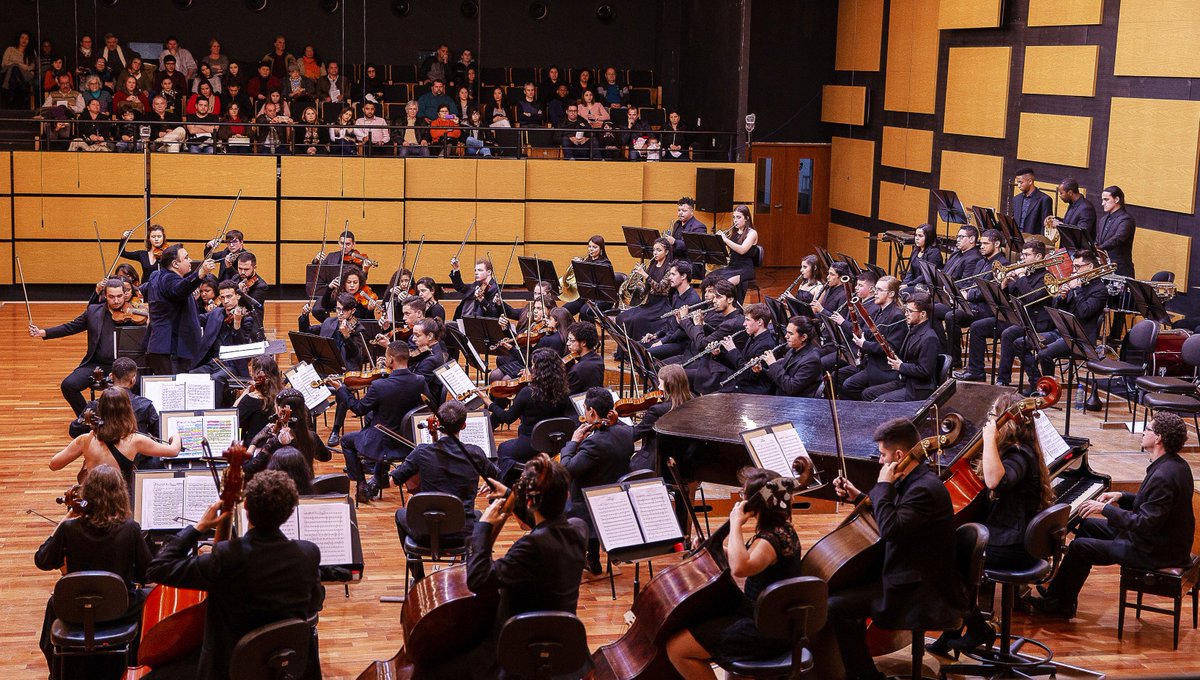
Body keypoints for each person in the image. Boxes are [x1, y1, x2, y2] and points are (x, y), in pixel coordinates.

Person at [145, 470, 324, 680]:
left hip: (229, 669)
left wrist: (199, 527)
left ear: (245, 506)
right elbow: (315, 603)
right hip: (282, 665)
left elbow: (158, 568)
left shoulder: (228, 558)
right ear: (290, 511)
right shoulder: (308, 554)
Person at [826, 418, 965, 680]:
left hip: (919, 590)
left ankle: (864, 676)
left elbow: (890, 529)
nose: (880, 461)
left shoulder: (923, 489)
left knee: (836, 606)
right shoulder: (915, 480)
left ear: (899, 455)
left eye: (882, 454)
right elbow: (893, 516)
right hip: (909, 573)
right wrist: (858, 496)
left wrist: (883, 486)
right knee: (844, 592)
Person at [1028, 412, 1194, 619]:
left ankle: (1060, 605)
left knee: (1080, 547)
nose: (1143, 432)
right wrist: (1122, 495)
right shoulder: (1175, 464)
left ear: (1158, 438)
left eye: (1148, 429)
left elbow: (1145, 523)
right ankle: (1061, 594)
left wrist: (1105, 509)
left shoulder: (1164, 475)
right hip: (1156, 539)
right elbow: (1154, 505)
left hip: (1155, 550)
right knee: (1088, 525)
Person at [928, 392, 1054, 655]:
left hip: (1014, 545)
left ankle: (977, 628)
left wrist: (987, 440)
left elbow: (995, 480)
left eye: (993, 415)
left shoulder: (1019, 455)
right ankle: (955, 629)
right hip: (1014, 538)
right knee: (954, 553)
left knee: (941, 560)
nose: (990, 421)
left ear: (1007, 422)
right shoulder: (1017, 450)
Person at [666, 469, 806, 678]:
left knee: (677, 649)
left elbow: (741, 567)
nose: (740, 500)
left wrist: (735, 524)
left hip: (763, 629)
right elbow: (747, 559)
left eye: (743, 496)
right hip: (769, 619)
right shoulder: (782, 529)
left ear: (754, 504)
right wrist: (716, 549)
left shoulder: (770, 540)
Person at [35, 464, 152, 678]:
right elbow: (147, 575)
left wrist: (65, 519)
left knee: (55, 603)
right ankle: (138, 664)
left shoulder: (70, 529)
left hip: (76, 610)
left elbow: (42, 560)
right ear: (120, 495)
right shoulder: (130, 529)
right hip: (121, 609)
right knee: (151, 597)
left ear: (87, 494)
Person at [390, 400, 500, 580]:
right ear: (464, 425)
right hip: (462, 533)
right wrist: (492, 482)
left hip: (424, 532)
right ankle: (469, 575)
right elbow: (499, 476)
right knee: (480, 515)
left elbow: (394, 480)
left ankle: (418, 578)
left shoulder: (421, 452)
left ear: (438, 424)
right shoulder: (475, 454)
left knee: (400, 514)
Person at [28, 279, 146, 415]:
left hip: (125, 366)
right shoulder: (93, 311)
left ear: (125, 294)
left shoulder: (134, 312)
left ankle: (131, 420)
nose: (116, 301)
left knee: (140, 385)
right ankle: (89, 418)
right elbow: (70, 327)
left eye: (119, 296)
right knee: (68, 385)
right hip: (97, 364)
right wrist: (42, 332)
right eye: (112, 297)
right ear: (105, 296)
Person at [333, 341, 431, 503]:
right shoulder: (419, 381)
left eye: (386, 356)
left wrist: (342, 390)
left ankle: (362, 485)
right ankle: (378, 478)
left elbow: (358, 409)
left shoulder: (379, 386)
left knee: (346, 441)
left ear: (391, 359)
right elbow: (427, 406)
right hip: (407, 444)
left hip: (383, 445)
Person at [50, 387, 181, 490]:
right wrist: (176, 437)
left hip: (92, 501)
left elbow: (54, 465)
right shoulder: (135, 441)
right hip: (120, 502)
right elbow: (173, 451)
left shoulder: (85, 440)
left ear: (99, 409)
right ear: (127, 410)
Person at [561, 387, 633, 573]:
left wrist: (574, 441)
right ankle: (592, 558)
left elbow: (567, 469)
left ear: (591, 411)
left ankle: (577, 556)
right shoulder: (626, 432)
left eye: (585, 409)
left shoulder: (594, 442)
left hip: (588, 501)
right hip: (614, 493)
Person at [955, 240, 1049, 384]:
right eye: (1022, 254)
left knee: (1008, 334)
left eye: (1027, 255)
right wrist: (1004, 285)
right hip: (1016, 318)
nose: (1022, 258)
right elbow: (1004, 300)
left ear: (1038, 257)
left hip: (1035, 322)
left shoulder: (1046, 278)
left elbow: (1031, 298)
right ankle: (976, 371)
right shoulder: (1023, 273)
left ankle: (1003, 379)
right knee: (977, 327)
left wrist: (1021, 277)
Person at [1014, 250, 1107, 388]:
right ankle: (1037, 383)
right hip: (1061, 332)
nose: (1074, 270)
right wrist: (1061, 298)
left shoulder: (1100, 290)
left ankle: (1049, 390)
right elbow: (1058, 311)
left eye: (1077, 267)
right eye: (1073, 266)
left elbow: (1084, 312)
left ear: (1090, 267)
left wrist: (1076, 290)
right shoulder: (1076, 284)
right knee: (1020, 343)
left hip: (1079, 339)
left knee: (1044, 353)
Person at [486, 347, 574, 484]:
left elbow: (507, 417)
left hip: (530, 444)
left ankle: (505, 487)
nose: (531, 369)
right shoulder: (564, 391)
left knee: (503, 448)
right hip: (554, 445)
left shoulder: (527, 393)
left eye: (533, 366)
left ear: (539, 371)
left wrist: (489, 403)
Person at [299, 292, 372, 447]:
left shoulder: (359, 330)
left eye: (343, 311)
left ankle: (335, 430)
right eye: (338, 309)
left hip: (347, 373)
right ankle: (309, 428)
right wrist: (304, 317)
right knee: (303, 382)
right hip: (326, 367)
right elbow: (308, 331)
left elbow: (358, 357)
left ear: (352, 310)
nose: (339, 314)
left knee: (342, 390)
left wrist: (347, 336)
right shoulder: (329, 322)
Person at [144, 244, 218, 375]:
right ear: (175, 264)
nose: (190, 260)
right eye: (186, 258)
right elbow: (178, 289)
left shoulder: (156, 275)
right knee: (173, 391)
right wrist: (200, 273)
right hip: (172, 348)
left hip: (161, 346)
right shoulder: (169, 279)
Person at [190, 279, 262, 405]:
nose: (226, 301)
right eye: (222, 297)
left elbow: (242, 347)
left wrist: (237, 324)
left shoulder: (247, 318)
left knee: (216, 379)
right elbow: (196, 320)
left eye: (229, 296)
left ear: (238, 296)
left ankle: (215, 413)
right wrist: (193, 302)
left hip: (232, 366)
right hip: (213, 362)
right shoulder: (216, 313)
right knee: (190, 375)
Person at [945, 228, 1008, 370]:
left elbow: (990, 292)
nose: (982, 246)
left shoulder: (1003, 264)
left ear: (996, 244)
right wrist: (962, 294)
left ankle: (962, 364)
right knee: (951, 314)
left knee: (952, 315)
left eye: (986, 244)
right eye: (981, 243)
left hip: (988, 309)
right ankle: (952, 359)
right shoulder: (981, 262)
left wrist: (968, 295)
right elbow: (973, 284)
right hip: (974, 305)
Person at [862, 292, 940, 402]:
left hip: (918, 389)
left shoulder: (929, 338)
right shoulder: (913, 329)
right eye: (906, 310)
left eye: (910, 311)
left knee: (880, 401)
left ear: (922, 314)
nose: (906, 314)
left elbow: (925, 371)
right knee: (868, 393)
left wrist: (901, 366)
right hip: (905, 381)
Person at [840, 276, 908, 401]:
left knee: (850, 385)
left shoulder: (896, 316)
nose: (875, 293)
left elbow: (890, 347)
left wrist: (864, 345)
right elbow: (869, 334)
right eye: (875, 289)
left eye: (879, 290)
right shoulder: (879, 311)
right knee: (841, 377)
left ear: (891, 294)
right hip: (871, 362)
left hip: (885, 369)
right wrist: (862, 341)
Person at [677, 279, 746, 394]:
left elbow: (701, 345)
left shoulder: (729, 324)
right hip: (716, 362)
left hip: (720, 371)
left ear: (730, 299)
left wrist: (693, 323)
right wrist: (703, 325)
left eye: (718, 297)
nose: (714, 301)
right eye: (714, 297)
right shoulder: (734, 316)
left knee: (674, 375)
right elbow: (716, 333)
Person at [245, 387, 331, 477]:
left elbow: (247, 470)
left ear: (280, 410)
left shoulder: (274, 443)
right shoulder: (312, 437)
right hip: (306, 488)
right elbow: (326, 457)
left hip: (282, 489)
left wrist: (254, 442)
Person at [69, 357, 160, 439]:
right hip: (137, 457)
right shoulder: (144, 405)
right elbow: (159, 433)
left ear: (111, 376)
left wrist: (85, 421)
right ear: (133, 379)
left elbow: (74, 431)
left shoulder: (96, 405)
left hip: (104, 456)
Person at [614, 237, 674, 339]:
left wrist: (645, 275)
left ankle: (635, 349)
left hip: (660, 305)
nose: (655, 253)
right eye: (654, 250)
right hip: (649, 302)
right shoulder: (653, 264)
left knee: (635, 320)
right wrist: (635, 282)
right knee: (620, 317)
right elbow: (647, 287)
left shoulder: (670, 268)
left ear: (667, 252)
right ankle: (623, 350)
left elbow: (660, 288)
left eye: (659, 250)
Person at [755, 316, 821, 397]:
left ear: (803, 337)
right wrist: (761, 370)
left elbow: (791, 388)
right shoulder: (793, 350)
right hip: (781, 396)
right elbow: (779, 378)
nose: (786, 336)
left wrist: (773, 364)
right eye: (787, 332)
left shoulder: (812, 360)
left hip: (796, 403)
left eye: (790, 333)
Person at [720, 303, 777, 394]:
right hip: (742, 385)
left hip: (753, 391)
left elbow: (749, 374)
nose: (744, 324)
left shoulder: (766, 345)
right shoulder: (752, 337)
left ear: (759, 322)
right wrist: (718, 354)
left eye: (747, 320)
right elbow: (738, 365)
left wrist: (733, 350)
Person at [236, 353, 284, 443]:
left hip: (254, 449)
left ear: (255, 374)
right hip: (278, 448)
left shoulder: (250, 400)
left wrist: (245, 393)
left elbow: (234, 419)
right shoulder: (283, 396)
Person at [710, 205, 759, 291]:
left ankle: (730, 304)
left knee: (725, 285)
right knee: (709, 279)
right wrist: (717, 240)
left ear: (746, 218)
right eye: (734, 217)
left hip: (745, 268)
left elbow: (742, 250)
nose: (735, 220)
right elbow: (727, 249)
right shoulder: (734, 232)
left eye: (738, 217)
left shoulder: (752, 233)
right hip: (732, 266)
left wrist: (725, 239)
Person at [1096, 184, 1135, 278]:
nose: (1102, 203)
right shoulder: (1103, 219)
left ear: (1116, 199)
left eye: (1106, 199)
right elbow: (1098, 240)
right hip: (1104, 269)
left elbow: (1117, 239)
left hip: (1120, 271)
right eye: (1102, 200)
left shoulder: (1126, 219)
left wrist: (1099, 249)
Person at [1051, 178, 1097, 251]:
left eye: (1061, 193)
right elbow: (1071, 222)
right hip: (1068, 250)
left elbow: (1080, 233)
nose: (1060, 196)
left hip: (1078, 253)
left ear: (1070, 193)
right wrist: (1055, 219)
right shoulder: (1072, 204)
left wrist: (1059, 225)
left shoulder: (1086, 208)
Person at [565, 321, 605, 393]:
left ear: (583, 343)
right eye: (568, 340)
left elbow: (567, 398)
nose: (568, 343)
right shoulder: (598, 359)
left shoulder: (576, 370)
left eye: (571, 340)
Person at [1011, 167, 1052, 235]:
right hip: (1017, 239)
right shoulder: (1016, 199)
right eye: (1017, 183)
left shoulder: (1044, 199)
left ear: (1030, 181)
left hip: (1034, 241)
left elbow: (1045, 226)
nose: (1018, 186)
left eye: (1021, 183)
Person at [665, 196, 706, 262]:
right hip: (675, 260)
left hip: (690, 262)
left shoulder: (699, 227)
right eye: (679, 210)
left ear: (692, 212)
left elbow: (694, 247)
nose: (680, 213)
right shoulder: (677, 224)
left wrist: (675, 242)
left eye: (684, 211)